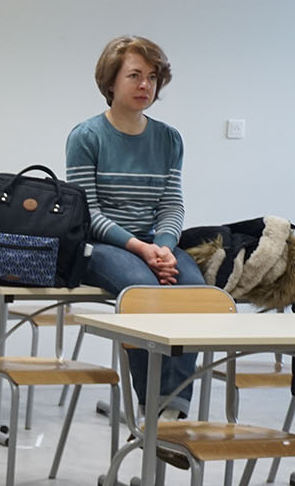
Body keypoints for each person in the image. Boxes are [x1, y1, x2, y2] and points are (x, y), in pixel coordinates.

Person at [66, 35, 205, 417]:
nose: (145, 85)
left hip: (155, 244)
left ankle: (171, 409)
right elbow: (89, 214)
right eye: (135, 75)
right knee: (143, 292)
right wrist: (142, 249)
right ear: (111, 82)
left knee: (196, 294)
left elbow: (171, 203)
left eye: (153, 77)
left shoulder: (168, 139)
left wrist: (163, 246)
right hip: (104, 245)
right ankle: (152, 408)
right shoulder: (87, 136)